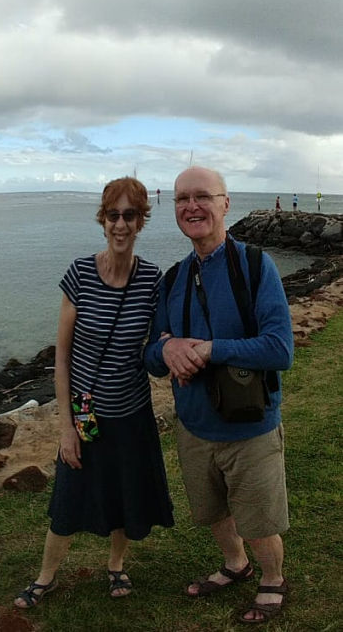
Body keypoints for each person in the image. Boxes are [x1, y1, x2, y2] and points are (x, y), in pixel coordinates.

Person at [14, 177, 174, 609]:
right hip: (86, 414)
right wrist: (65, 426)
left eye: (130, 216)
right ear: (102, 220)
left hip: (133, 411)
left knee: (124, 495)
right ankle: (44, 578)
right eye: (113, 215)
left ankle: (116, 566)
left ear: (141, 221)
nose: (120, 225)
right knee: (68, 500)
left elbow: (158, 346)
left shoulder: (152, 281)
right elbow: (61, 357)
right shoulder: (80, 273)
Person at [144, 166, 294, 625]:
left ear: (225, 203)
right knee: (212, 510)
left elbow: (280, 348)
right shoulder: (170, 280)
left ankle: (272, 578)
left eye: (203, 196)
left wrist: (210, 350)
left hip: (250, 424)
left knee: (259, 517)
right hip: (194, 424)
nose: (192, 206)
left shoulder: (253, 265)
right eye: (182, 199)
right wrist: (167, 347)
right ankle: (236, 564)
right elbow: (150, 357)